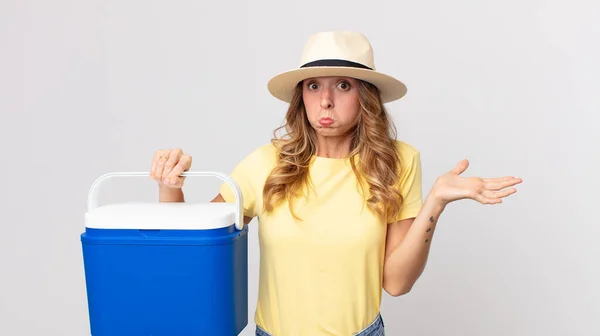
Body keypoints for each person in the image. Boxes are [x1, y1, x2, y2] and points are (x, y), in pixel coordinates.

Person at [149, 31, 522, 336]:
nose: (325, 101)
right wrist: (171, 186)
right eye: (313, 86)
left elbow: (396, 283)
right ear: (301, 97)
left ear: (366, 97)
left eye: (343, 85)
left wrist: (435, 203)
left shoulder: (399, 161)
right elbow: (190, 255)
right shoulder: (266, 164)